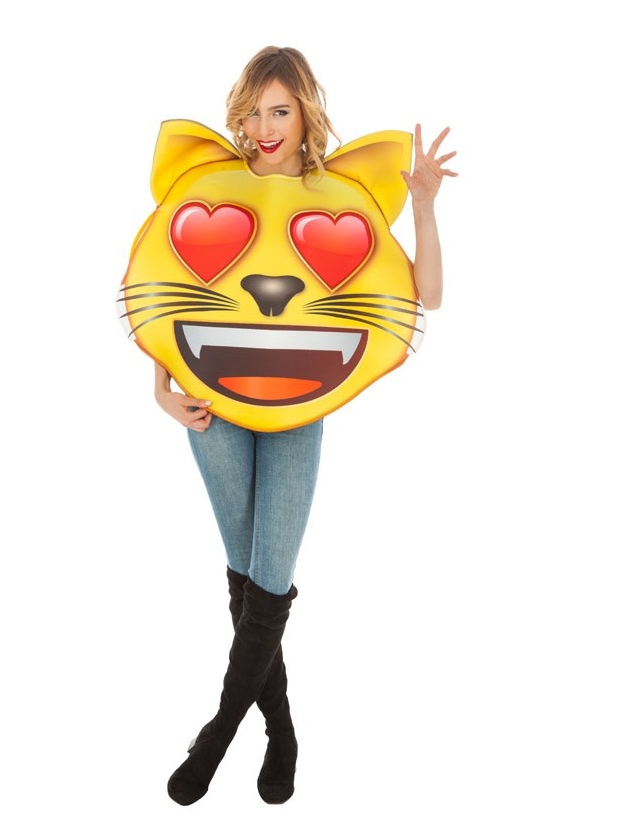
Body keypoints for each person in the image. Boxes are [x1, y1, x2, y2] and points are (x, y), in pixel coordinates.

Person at [150, 46, 457, 806]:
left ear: (305, 112)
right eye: (255, 111)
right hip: (212, 407)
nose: (266, 126)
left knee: (267, 578)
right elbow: (166, 285)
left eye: (280, 110)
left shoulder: (336, 195)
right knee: (250, 577)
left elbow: (427, 297)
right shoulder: (214, 185)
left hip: (297, 411)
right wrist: (160, 391)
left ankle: (221, 731)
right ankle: (282, 730)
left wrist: (422, 204)